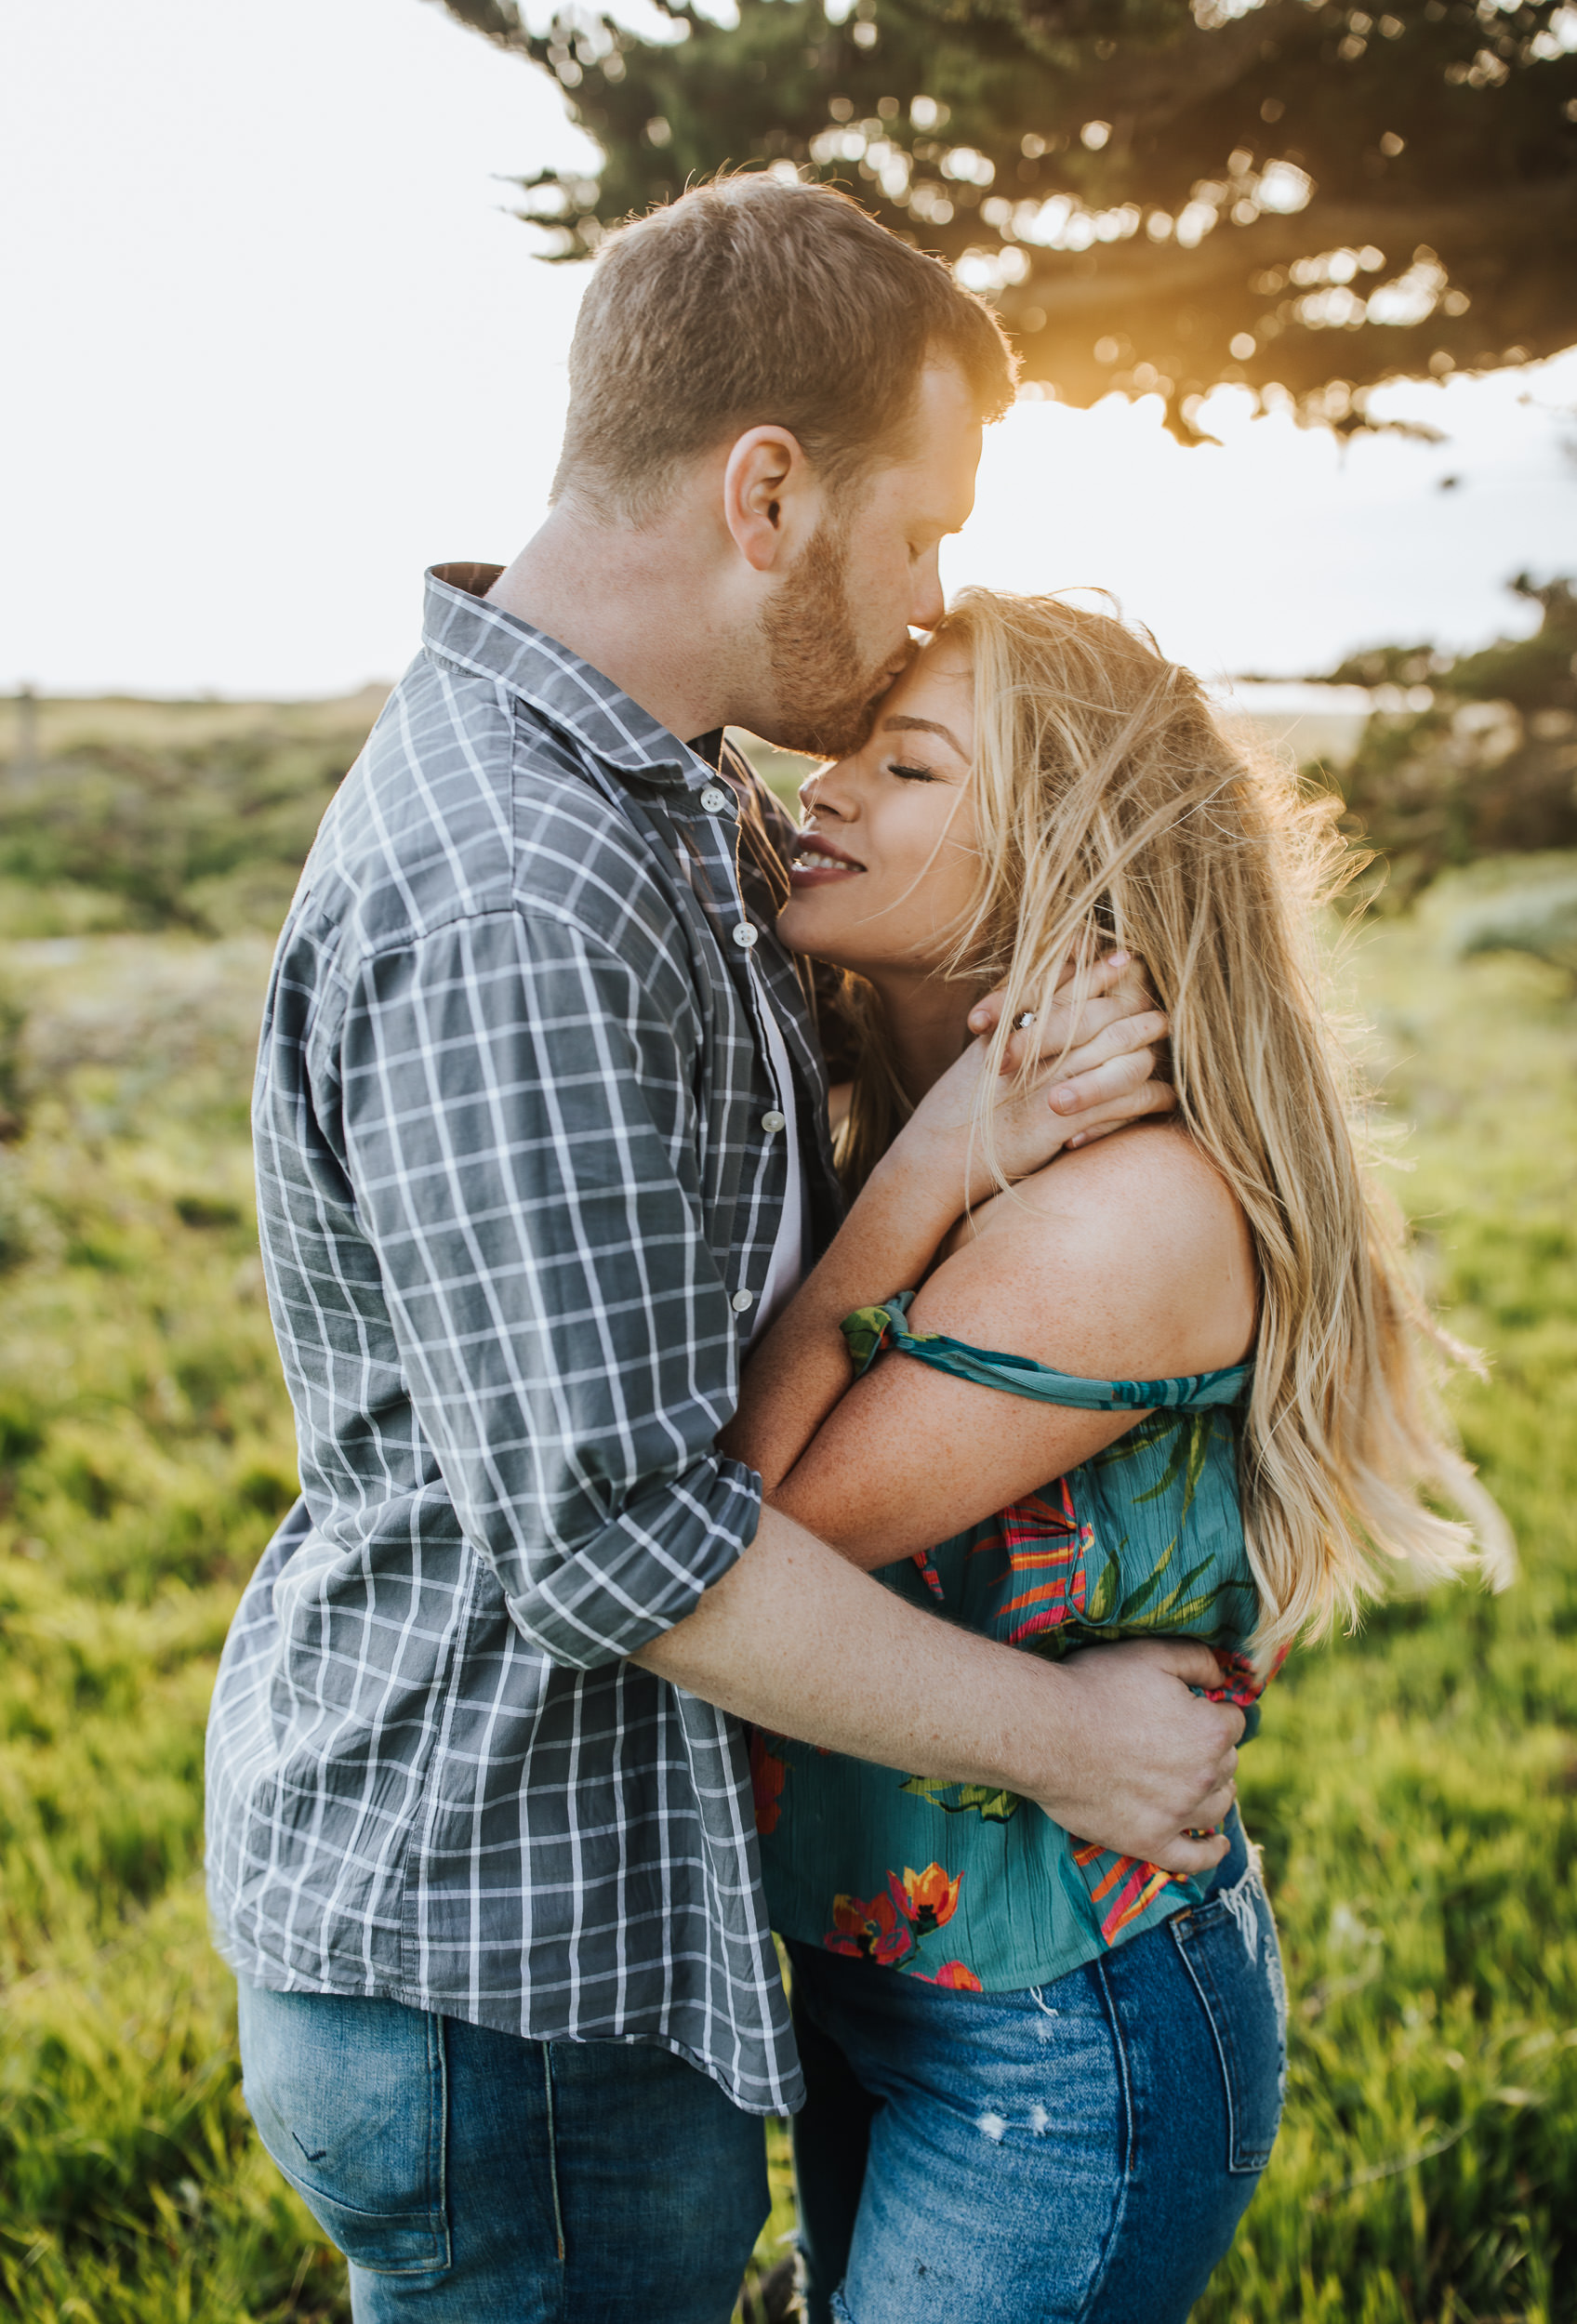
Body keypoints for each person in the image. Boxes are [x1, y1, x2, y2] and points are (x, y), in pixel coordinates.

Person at [204, 177, 1244, 2322]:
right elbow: (619, 1540)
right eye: (919, 530)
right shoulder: (520, 887)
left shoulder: (657, 791)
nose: (925, 594)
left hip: (576, 1928)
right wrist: (1073, 1745)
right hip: (500, 1961)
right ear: (766, 492)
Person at [724, 588, 1512, 2324]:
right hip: (884, 1972)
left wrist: (930, 1166)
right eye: (849, 747)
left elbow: (734, 1532)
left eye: (909, 765)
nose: (825, 788)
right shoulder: (901, 1124)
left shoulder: (1118, 1214)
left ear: (1057, 864)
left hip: (1055, 2046)